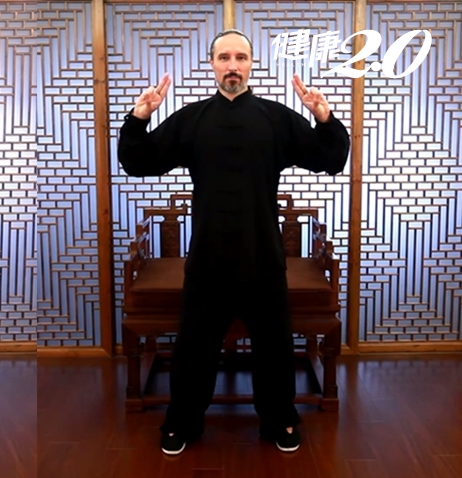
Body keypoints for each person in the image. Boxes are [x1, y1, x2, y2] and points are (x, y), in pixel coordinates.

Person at [116, 29, 350, 455]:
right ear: (212, 64)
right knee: (194, 345)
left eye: (240, 57)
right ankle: (182, 421)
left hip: (263, 254)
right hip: (208, 256)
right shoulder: (192, 119)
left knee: (274, 344)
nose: (232, 66)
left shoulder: (276, 118)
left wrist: (324, 118)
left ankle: (279, 419)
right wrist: (138, 118)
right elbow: (138, 161)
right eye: (224, 57)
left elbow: (331, 159)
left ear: (251, 64)